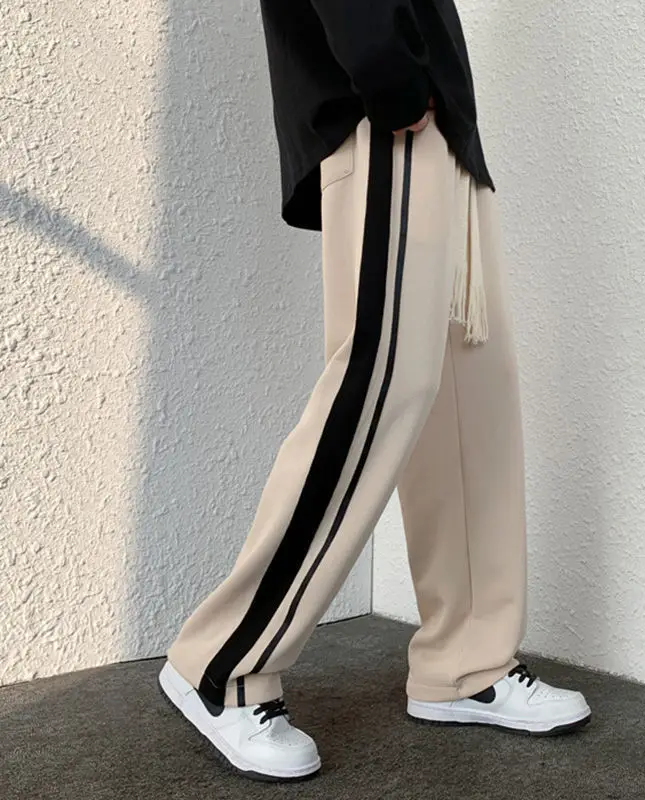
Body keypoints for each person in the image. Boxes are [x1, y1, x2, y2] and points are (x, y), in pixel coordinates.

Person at [158, 0, 592, 782]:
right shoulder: (391, 98)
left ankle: (465, 664)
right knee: (381, 381)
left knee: (470, 395)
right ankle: (221, 662)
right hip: (387, 114)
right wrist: (390, 77)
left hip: (440, 124)